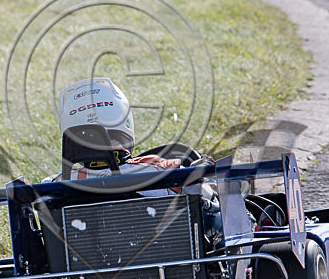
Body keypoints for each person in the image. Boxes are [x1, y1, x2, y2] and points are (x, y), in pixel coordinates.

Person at [44, 77, 223, 241]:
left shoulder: (52, 187)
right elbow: (209, 202)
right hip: (168, 270)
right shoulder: (161, 170)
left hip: (82, 274)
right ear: (124, 120)